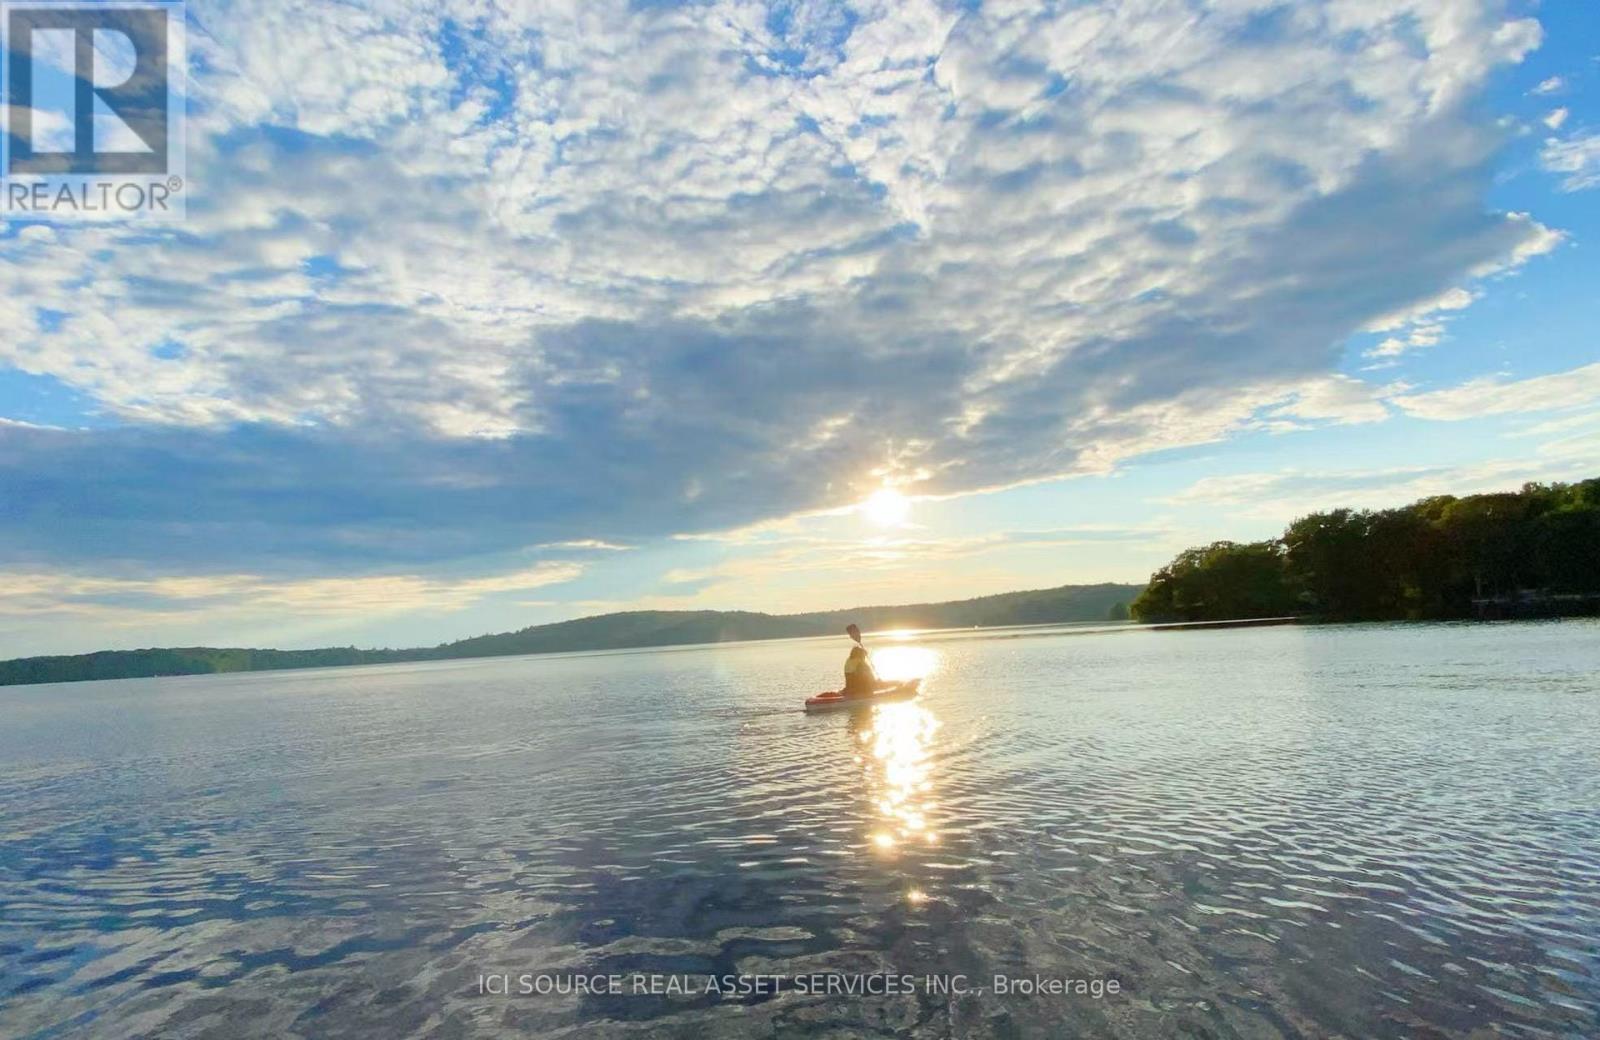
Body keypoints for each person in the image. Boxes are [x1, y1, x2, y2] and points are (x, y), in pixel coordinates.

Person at [842, 623, 892, 699]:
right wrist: (876, 683)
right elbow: (867, 678)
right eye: (864, 655)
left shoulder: (849, 661)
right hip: (860, 691)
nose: (864, 657)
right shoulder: (861, 664)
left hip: (850, 689)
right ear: (861, 655)